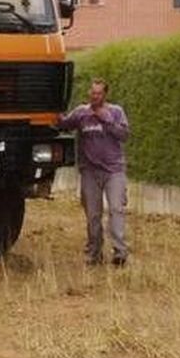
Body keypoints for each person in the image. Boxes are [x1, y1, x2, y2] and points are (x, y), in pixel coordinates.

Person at [58, 77, 131, 266]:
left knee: (116, 209)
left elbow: (124, 135)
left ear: (105, 95)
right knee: (93, 214)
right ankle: (94, 253)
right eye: (92, 92)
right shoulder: (81, 113)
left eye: (99, 93)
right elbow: (63, 124)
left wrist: (107, 121)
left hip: (114, 170)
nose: (95, 96)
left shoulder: (116, 112)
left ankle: (120, 253)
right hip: (90, 171)